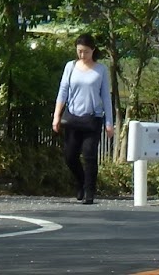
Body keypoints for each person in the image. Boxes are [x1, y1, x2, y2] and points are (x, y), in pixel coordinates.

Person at [52, 32, 114, 204]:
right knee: (70, 156)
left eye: (86, 51)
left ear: (93, 50)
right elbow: (63, 91)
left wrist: (109, 122)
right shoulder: (70, 67)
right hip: (72, 117)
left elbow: (106, 97)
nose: (82, 55)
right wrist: (56, 116)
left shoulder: (100, 70)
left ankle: (89, 191)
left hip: (93, 117)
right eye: (79, 51)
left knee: (89, 155)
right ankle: (80, 182)